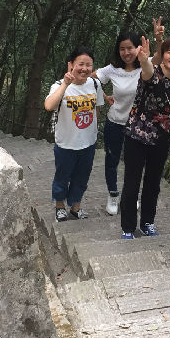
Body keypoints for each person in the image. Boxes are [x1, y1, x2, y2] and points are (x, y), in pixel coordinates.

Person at [120, 34, 170, 239]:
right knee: (132, 182)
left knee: (153, 183)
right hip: (137, 135)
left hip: (162, 137)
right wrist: (143, 59)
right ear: (163, 54)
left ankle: (147, 222)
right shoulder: (153, 71)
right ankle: (128, 227)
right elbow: (148, 72)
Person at [94, 20, 164, 215]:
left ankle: (131, 196)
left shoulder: (145, 66)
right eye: (122, 49)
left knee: (135, 164)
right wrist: (103, 96)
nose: (126, 52)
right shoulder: (112, 70)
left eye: (130, 48)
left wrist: (159, 40)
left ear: (138, 48)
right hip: (115, 123)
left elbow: (159, 58)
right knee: (112, 160)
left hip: (138, 126)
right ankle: (113, 195)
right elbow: (91, 78)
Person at [44, 46, 104, 222]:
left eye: (88, 65)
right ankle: (60, 206)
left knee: (82, 177)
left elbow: (96, 109)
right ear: (71, 65)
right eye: (80, 64)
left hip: (88, 142)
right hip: (66, 143)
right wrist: (65, 84)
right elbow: (49, 106)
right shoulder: (59, 86)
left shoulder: (95, 84)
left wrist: (92, 131)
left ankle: (76, 207)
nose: (84, 69)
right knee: (62, 177)